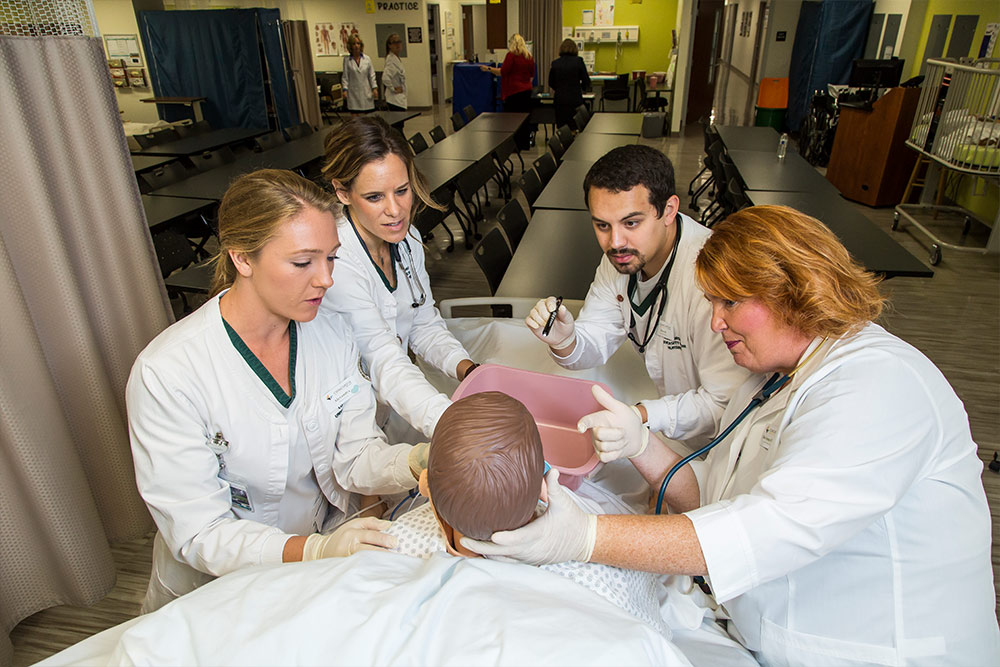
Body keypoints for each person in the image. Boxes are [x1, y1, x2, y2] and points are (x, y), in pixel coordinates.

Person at [468, 206, 1000, 666]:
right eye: (712, 302)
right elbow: (717, 497)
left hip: (874, 652)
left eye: (729, 303)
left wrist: (584, 538)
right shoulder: (768, 373)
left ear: (794, 290)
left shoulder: (879, 387)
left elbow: (762, 528)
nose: (715, 322)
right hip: (761, 629)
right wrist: (641, 445)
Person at [126, 169, 429, 612]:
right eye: (304, 262)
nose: (325, 279)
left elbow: (355, 455)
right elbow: (201, 533)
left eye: (332, 258)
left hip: (321, 561)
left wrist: (419, 460)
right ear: (242, 259)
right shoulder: (169, 374)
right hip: (219, 592)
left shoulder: (330, 333)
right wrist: (311, 550)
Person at [525, 145, 750, 456]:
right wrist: (566, 340)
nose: (615, 242)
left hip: (722, 446)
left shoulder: (711, 278)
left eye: (631, 223)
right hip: (675, 425)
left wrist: (640, 416)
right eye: (602, 225)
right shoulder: (622, 259)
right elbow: (596, 339)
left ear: (669, 210)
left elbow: (724, 404)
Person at [386, 392, 669, 635]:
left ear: (426, 486)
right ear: (543, 487)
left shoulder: (395, 545)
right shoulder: (602, 572)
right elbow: (648, 618)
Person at [320, 116, 477, 443]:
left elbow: (423, 322)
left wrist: (469, 370)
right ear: (342, 192)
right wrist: (450, 421)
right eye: (375, 197)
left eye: (402, 191)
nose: (396, 210)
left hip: (392, 403)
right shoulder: (336, 259)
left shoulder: (406, 241)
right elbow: (382, 356)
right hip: (345, 422)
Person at [480, 34, 535, 149]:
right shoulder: (529, 56)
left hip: (513, 92)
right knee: (524, 120)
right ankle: (524, 144)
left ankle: (515, 145)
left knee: (512, 121)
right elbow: (531, 76)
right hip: (526, 91)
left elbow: (503, 72)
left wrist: (488, 69)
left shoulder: (511, 56)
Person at [548, 38, 591, 129]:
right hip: (575, 99)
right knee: (575, 126)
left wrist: (559, 89)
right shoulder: (579, 61)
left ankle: (564, 141)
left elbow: (551, 82)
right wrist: (581, 88)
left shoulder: (555, 63)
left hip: (560, 100)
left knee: (562, 127)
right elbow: (586, 81)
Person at [343, 34, 377, 114]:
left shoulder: (367, 59)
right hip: (353, 93)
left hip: (366, 91)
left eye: (358, 43)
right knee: (355, 118)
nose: (356, 46)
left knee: (368, 118)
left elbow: (371, 75)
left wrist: (374, 88)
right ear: (350, 46)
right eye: (354, 44)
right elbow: (345, 77)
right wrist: (345, 90)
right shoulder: (347, 60)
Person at [382, 33, 406, 111]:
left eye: (399, 42)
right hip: (394, 100)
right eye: (394, 42)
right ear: (389, 45)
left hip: (399, 99)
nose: (397, 44)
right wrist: (393, 89)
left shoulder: (396, 58)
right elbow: (385, 78)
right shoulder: (391, 59)